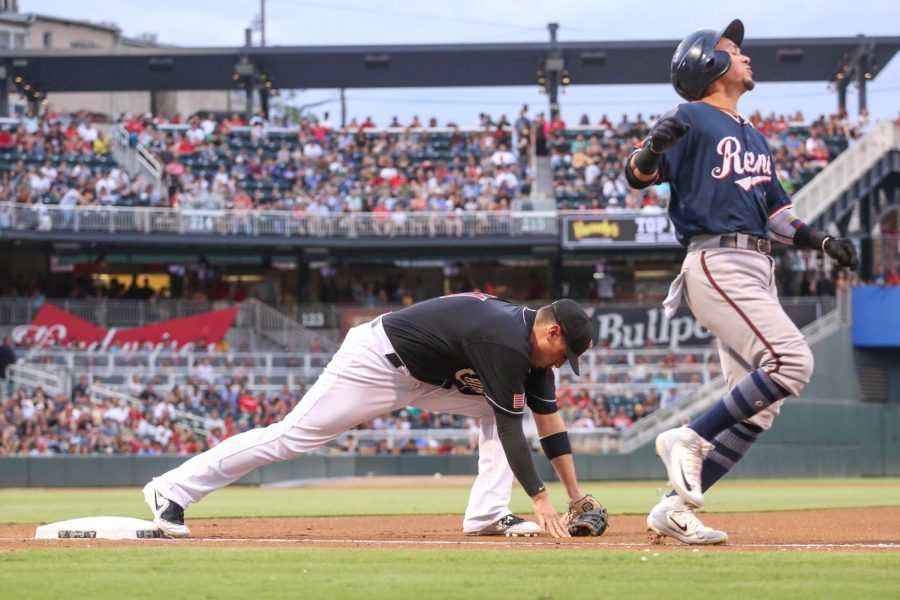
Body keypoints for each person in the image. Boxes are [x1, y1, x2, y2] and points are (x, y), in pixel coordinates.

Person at [624, 19, 859, 546]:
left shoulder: (751, 133)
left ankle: (674, 509)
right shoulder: (691, 117)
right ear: (708, 63)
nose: (746, 56)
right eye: (733, 50)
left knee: (763, 404)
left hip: (757, 264)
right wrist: (652, 150)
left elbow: (776, 212)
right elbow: (635, 175)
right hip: (717, 258)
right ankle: (686, 437)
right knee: (793, 361)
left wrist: (822, 240)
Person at [144, 295, 598, 539]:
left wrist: (575, 496)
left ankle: (486, 514)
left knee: (495, 409)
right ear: (551, 330)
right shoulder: (505, 342)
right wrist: (541, 499)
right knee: (292, 437)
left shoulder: (536, 357)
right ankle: (172, 489)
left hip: (430, 376)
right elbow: (510, 429)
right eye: (566, 352)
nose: (563, 362)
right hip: (377, 362)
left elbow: (549, 423)